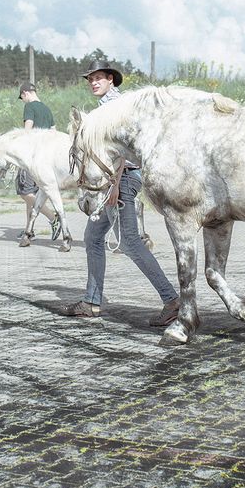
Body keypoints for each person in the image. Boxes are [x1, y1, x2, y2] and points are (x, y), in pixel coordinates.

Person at [66, 58, 180, 326]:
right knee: (93, 236)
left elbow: (122, 150)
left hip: (123, 179)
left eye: (99, 78)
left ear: (111, 80)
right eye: (91, 79)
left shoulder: (116, 106)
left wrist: (115, 187)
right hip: (119, 179)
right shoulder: (108, 106)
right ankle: (92, 301)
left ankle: (172, 300)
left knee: (129, 242)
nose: (93, 83)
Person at [15, 82, 61, 245]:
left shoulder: (29, 107)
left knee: (24, 192)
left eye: (22, 97)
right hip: (47, 159)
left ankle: (54, 218)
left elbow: (27, 132)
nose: (23, 100)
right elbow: (54, 132)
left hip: (32, 158)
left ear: (25, 93)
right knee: (34, 195)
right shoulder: (47, 109)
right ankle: (29, 230)